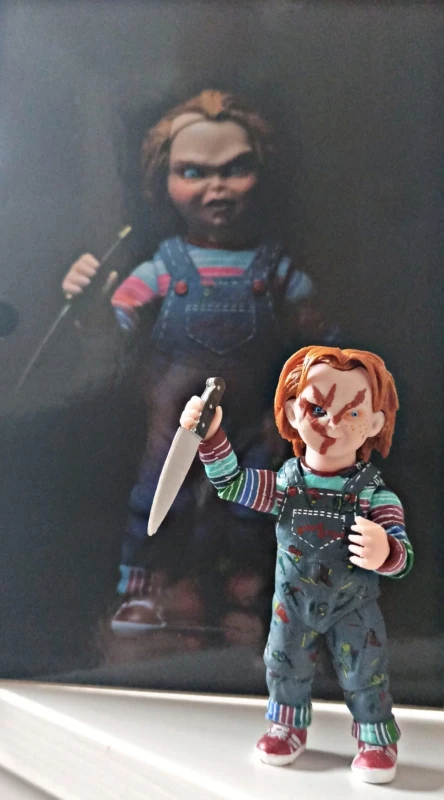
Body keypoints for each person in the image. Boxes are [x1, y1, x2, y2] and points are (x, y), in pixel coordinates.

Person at [62, 90, 331, 633]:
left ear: (262, 174)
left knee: (253, 503)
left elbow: (318, 339)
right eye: (194, 172)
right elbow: (112, 333)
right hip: (173, 416)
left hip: (254, 416)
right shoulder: (163, 268)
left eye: (236, 169)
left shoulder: (275, 270)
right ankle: (144, 588)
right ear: (162, 181)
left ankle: (244, 588)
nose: (217, 187)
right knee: (159, 500)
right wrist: (89, 305)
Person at [180, 345, 413, 784]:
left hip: (352, 606)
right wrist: (211, 436)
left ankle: (376, 738)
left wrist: (386, 552)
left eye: (352, 413)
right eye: (317, 408)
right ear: (291, 410)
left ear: (375, 423)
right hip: (292, 603)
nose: (332, 424)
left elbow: (402, 557)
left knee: (365, 671)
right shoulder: (286, 485)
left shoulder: (374, 495)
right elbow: (231, 484)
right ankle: (286, 727)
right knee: (284, 662)